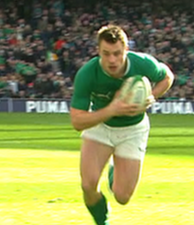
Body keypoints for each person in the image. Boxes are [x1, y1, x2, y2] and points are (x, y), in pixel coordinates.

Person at [70, 25, 174, 225]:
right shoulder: (88, 73)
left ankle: (113, 170)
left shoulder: (142, 63)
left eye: (117, 53)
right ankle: (103, 222)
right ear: (98, 52)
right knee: (88, 185)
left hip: (133, 130)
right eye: (106, 54)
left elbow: (167, 77)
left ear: (126, 50)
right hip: (101, 126)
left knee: (122, 197)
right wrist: (112, 109)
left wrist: (152, 96)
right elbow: (77, 121)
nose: (112, 60)